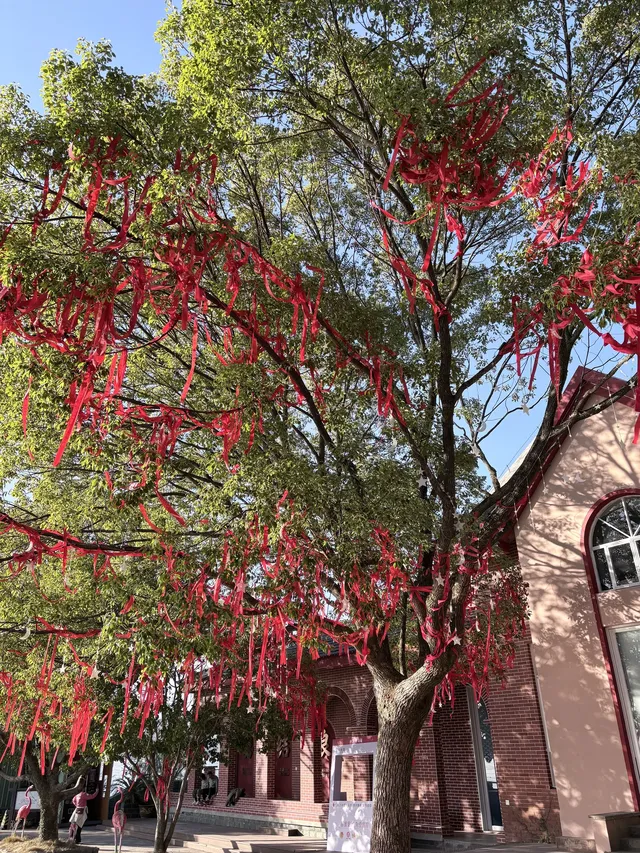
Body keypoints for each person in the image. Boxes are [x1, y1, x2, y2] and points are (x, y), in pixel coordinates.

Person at [68, 777, 99, 844]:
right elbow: (92, 796)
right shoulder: (83, 794)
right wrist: (96, 792)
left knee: (74, 824)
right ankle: (77, 839)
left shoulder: (76, 795)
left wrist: (76, 805)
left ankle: (73, 838)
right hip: (82, 810)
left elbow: (73, 801)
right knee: (79, 825)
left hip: (77, 810)